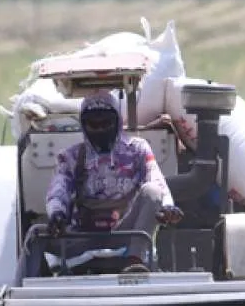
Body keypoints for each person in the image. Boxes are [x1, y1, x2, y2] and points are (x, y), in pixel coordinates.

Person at [43, 91, 183, 243]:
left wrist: (167, 207)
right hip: (83, 237)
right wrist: (56, 213)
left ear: (117, 122)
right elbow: (58, 190)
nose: (100, 130)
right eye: (93, 125)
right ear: (83, 125)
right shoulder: (71, 157)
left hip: (127, 234)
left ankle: (135, 262)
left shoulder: (137, 149)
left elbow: (156, 180)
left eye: (106, 123)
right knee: (35, 238)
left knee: (153, 191)